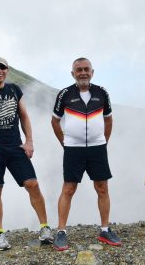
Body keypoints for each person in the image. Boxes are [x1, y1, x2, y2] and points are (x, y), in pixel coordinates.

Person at [0, 56, 53, 250]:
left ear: (7, 70)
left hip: (15, 147)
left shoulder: (14, 90)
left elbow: (24, 116)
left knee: (32, 183)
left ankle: (45, 227)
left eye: (2, 67)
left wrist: (29, 142)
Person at [51, 57, 121, 251]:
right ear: (73, 73)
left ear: (92, 72)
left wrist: (104, 142)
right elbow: (55, 121)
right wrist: (64, 143)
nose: (83, 73)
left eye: (86, 69)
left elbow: (108, 119)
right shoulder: (65, 94)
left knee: (102, 188)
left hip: (97, 147)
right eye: (79, 70)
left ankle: (105, 230)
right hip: (73, 148)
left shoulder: (101, 93)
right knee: (68, 189)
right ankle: (61, 232)